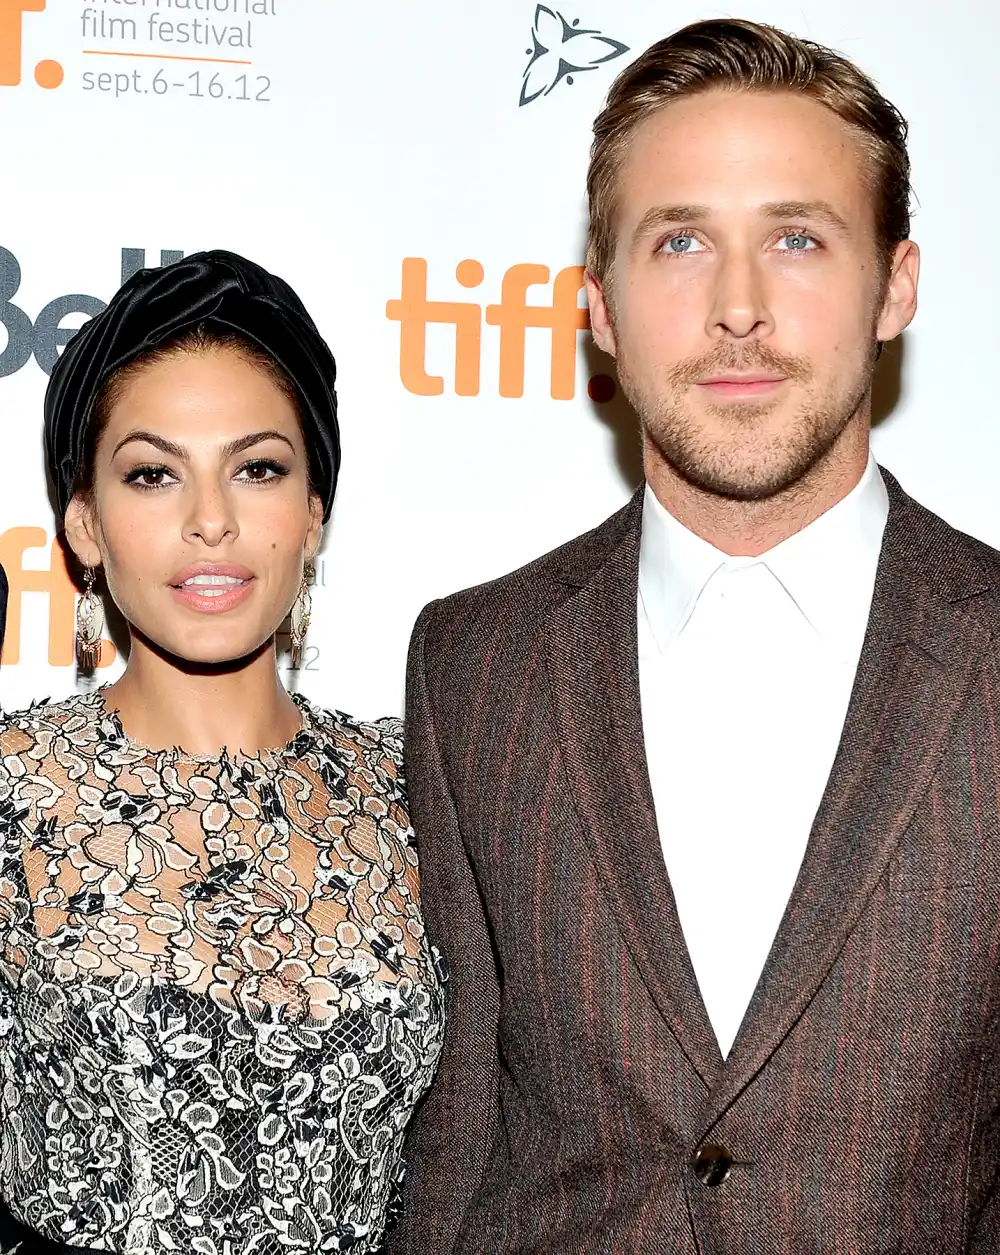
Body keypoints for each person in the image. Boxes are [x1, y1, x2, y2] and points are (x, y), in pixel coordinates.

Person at [389, 17, 1000, 1254]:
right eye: (678, 242)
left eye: (795, 237)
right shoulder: (473, 663)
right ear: (597, 306)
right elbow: (456, 1143)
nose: (737, 307)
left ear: (895, 285)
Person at [0, 251, 444, 1255]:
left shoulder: (420, 785)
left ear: (314, 514)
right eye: (153, 474)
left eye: (258, 468)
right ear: (85, 525)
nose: (211, 520)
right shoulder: (15, 789)